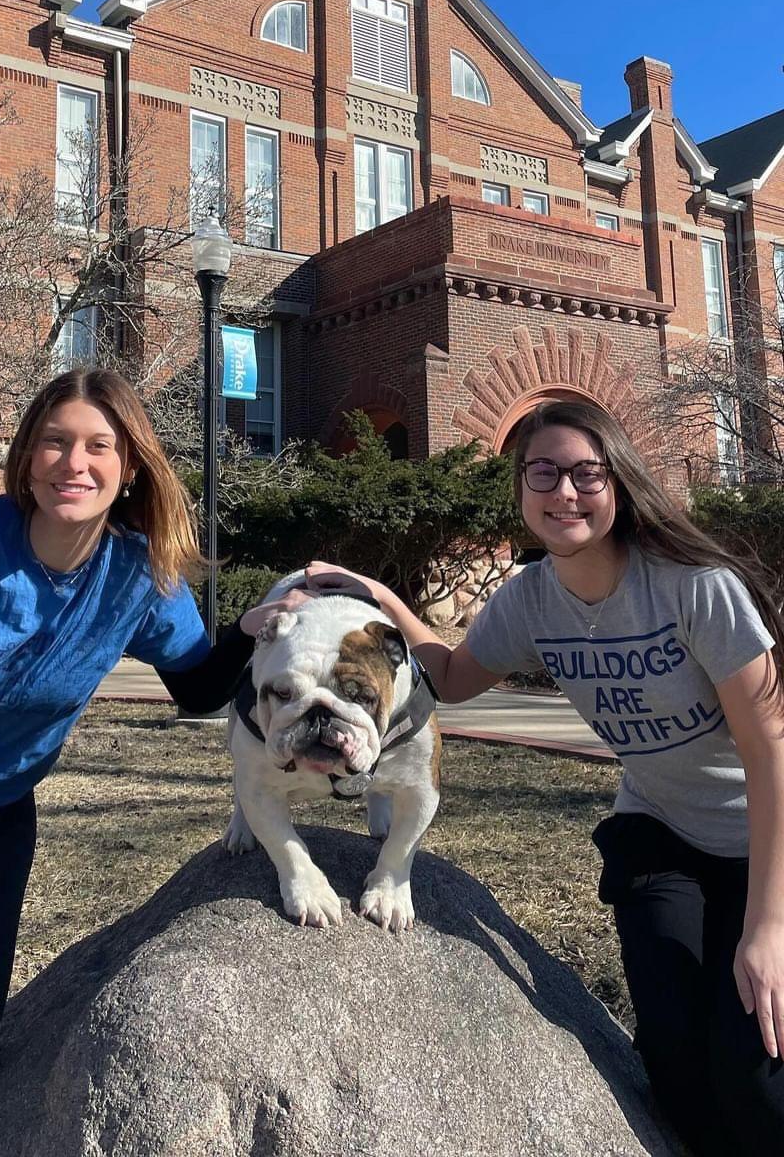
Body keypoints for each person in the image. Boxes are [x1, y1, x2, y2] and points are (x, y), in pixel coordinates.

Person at [0, 368, 307, 1156]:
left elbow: (193, 688)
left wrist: (253, 629)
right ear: (25, 454)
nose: (72, 463)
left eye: (98, 446)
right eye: (54, 440)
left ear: (129, 469)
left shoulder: (140, 572)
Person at [305, 399, 784, 1155]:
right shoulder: (530, 600)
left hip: (762, 845)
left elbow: (770, 752)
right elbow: (456, 677)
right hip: (660, 836)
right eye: (545, 472)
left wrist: (768, 927)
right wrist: (382, 598)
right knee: (676, 1066)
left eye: (586, 473)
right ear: (521, 489)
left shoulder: (694, 586)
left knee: (755, 1076)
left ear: (618, 482)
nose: (565, 490)